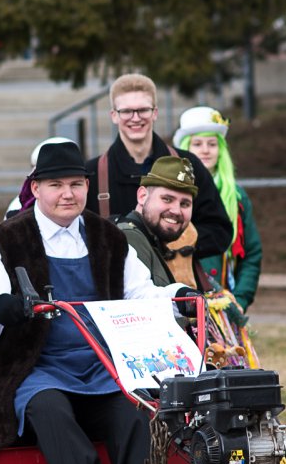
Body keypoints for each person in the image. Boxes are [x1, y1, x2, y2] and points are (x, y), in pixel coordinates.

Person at [0, 139, 209, 464]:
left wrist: (179, 299)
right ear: (35, 188)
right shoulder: (4, 241)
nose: (67, 194)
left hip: (101, 367)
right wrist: (3, 308)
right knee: (49, 410)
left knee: (134, 413)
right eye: (55, 185)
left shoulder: (109, 238)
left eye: (75, 184)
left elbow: (141, 295)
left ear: (87, 186)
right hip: (35, 370)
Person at [86, 74, 231, 259]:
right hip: (115, 277)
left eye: (143, 110)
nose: (135, 118)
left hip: (176, 276)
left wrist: (175, 244)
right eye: (127, 111)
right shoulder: (92, 174)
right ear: (114, 115)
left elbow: (219, 230)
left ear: (155, 112)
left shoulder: (190, 165)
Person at [174, 106, 263, 311]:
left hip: (223, 303)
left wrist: (240, 299)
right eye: (197, 144)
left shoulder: (237, 197)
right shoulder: (170, 197)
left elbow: (251, 253)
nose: (205, 150)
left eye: (212, 144)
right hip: (180, 303)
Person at [115, 157, 201, 288]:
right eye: (167, 199)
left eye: (185, 204)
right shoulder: (130, 238)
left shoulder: (150, 241)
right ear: (142, 196)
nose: (176, 211)